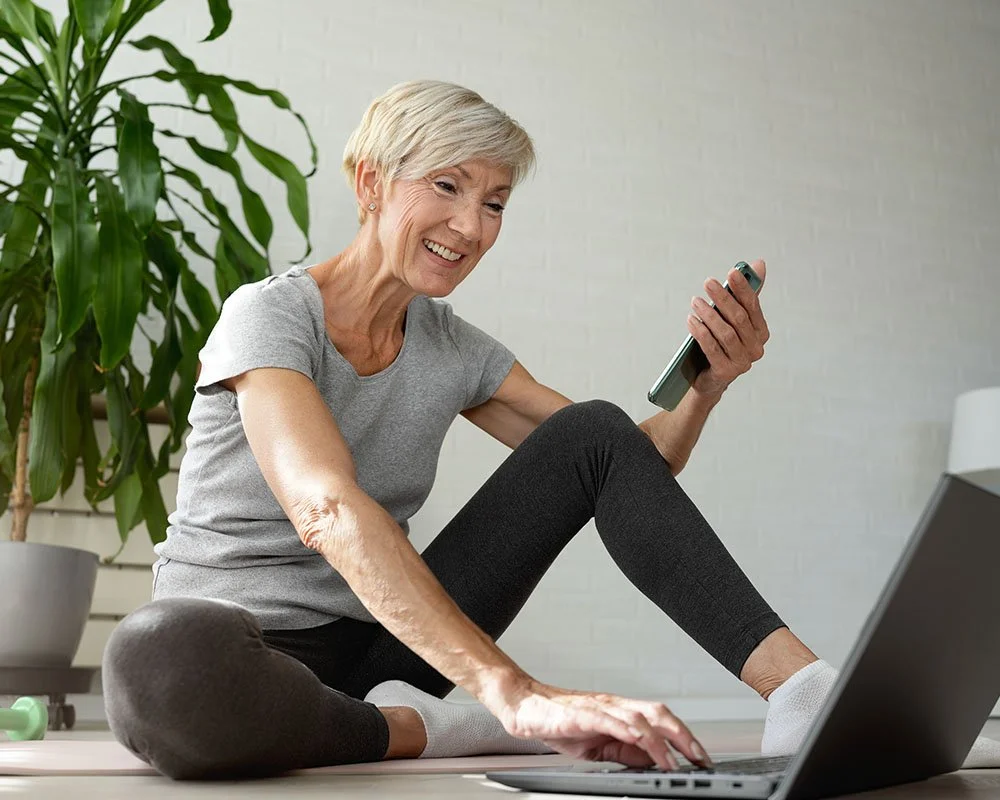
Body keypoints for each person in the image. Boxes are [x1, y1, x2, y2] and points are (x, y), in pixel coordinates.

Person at [101, 80, 993, 781]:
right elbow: (325, 508)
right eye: (446, 186)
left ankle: (803, 688)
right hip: (239, 651)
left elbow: (619, 469)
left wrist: (705, 390)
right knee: (156, 661)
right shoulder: (269, 316)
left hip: (380, 650)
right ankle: (439, 726)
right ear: (371, 182)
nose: (471, 225)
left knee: (595, 426)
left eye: (494, 202)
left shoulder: (456, 350)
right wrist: (515, 695)